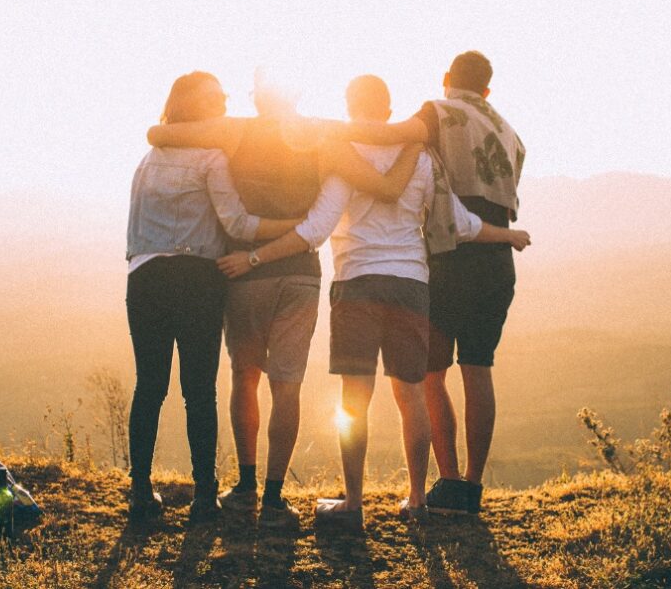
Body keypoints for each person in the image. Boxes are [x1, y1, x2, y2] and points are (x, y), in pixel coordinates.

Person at [217, 75, 530, 529]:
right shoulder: (422, 157)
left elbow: (316, 229)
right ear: (388, 111)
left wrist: (255, 256)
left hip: (357, 283)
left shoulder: (343, 155)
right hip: (410, 285)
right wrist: (507, 235)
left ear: (349, 106)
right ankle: (418, 499)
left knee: (354, 400)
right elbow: (459, 223)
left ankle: (354, 504)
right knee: (412, 395)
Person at [146, 71, 422, 528]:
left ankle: (246, 486)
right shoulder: (321, 134)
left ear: (257, 97)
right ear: (296, 92)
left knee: (244, 376)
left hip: (244, 273)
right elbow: (378, 164)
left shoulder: (235, 130)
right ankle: (274, 499)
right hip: (300, 273)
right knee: (286, 385)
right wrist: (415, 137)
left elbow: (161, 133)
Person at [330, 51, 527, 515]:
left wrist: (323, 132)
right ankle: (471, 489)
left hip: (449, 256)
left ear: (446, 80)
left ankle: (447, 481)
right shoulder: (510, 132)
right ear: (488, 89)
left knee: (429, 376)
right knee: (478, 369)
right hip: (495, 258)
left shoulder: (437, 113)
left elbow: (391, 135)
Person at [124, 71, 302, 525]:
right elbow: (239, 225)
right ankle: (204, 497)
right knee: (198, 391)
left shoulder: (148, 159)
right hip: (197, 279)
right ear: (198, 108)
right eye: (216, 97)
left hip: (145, 278)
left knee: (150, 387)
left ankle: (141, 493)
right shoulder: (211, 157)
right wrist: (293, 227)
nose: (224, 101)